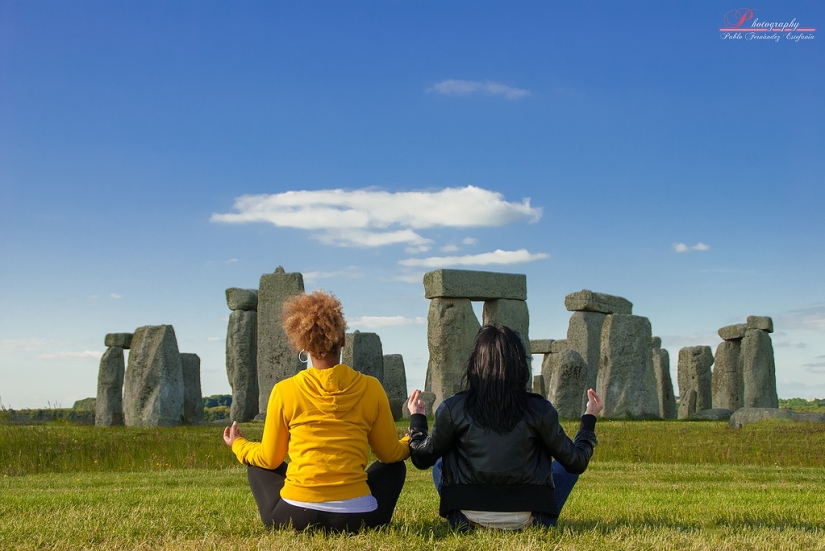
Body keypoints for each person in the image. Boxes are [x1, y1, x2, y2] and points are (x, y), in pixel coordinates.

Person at [223, 290, 409, 532]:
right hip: (360, 518)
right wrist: (409, 441)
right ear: (343, 340)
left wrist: (239, 444)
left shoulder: (284, 391)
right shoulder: (371, 388)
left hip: (295, 517)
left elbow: (270, 458)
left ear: (303, 344)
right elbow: (389, 454)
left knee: (257, 463)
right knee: (394, 466)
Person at [407, 323, 603, 530]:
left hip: (465, 519)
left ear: (476, 363)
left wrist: (417, 418)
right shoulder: (540, 409)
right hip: (532, 520)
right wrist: (589, 418)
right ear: (520, 364)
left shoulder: (452, 407)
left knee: (439, 461)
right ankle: (535, 514)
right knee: (565, 463)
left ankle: (470, 515)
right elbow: (577, 462)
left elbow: (422, 458)